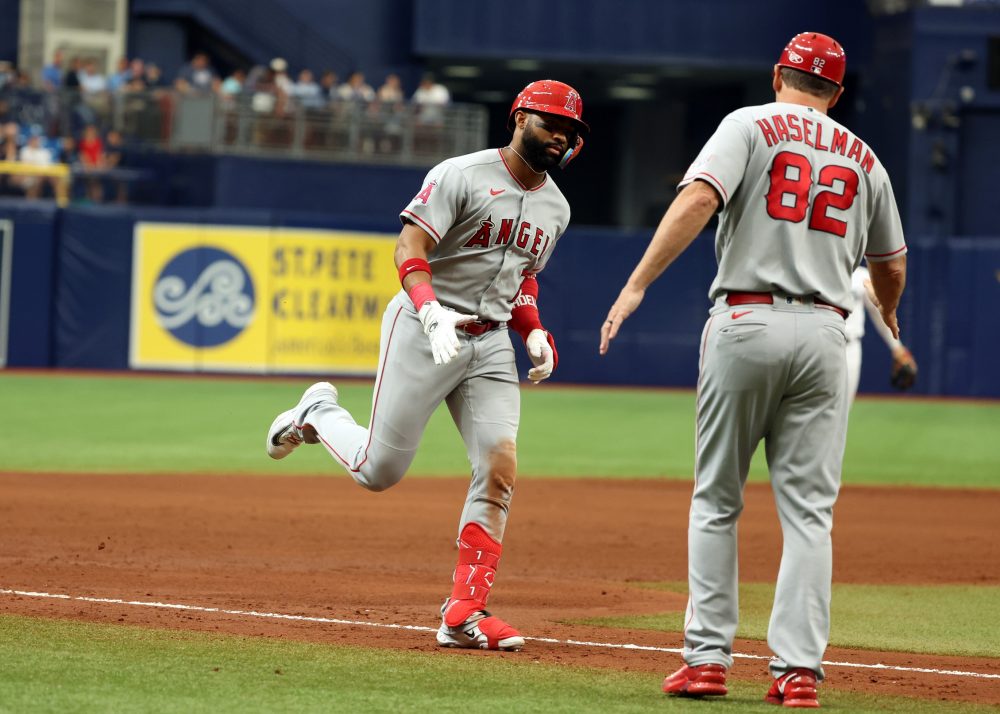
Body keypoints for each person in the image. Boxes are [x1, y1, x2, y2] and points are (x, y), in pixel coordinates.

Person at [599, 32, 907, 707]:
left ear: (778, 76)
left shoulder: (748, 123)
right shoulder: (868, 160)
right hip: (829, 332)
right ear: (839, 92)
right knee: (810, 516)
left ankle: (707, 660)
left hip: (747, 319)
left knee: (717, 499)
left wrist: (638, 284)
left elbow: (699, 199)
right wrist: (889, 316)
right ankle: (797, 673)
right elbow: (890, 265)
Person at [265, 80, 588, 652]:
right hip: (424, 328)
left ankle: (463, 610)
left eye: (569, 130)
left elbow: (522, 278)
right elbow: (409, 246)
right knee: (378, 471)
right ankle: (317, 411)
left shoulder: (556, 207)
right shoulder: (461, 173)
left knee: (500, 465)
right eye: (548, 123)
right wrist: (429, 310)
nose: (559, 135)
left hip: (489, 345)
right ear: (518, 118)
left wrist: (533, 329)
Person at [847, 265, 917, 399]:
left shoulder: (861, 276)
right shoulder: (821, 272)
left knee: (844, 408)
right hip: (823, 344)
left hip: (850, 347)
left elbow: (879, 314)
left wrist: (898, 348)